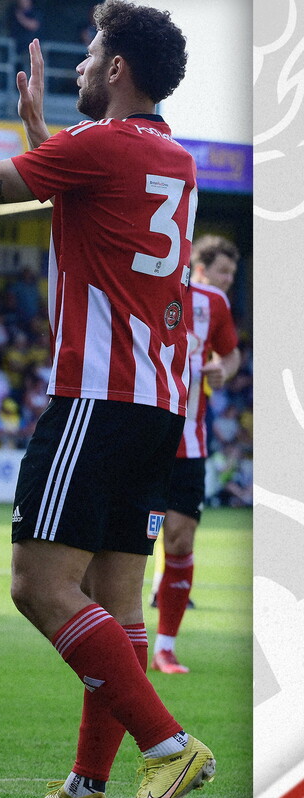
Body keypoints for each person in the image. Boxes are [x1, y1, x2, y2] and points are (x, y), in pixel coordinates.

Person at [0, 0, 215, 798]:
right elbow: (102, 199)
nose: (80, 65)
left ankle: (169, 744)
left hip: (95, 399)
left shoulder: (99, 145)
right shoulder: (174, 159)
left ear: (118, 69)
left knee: (38, 587)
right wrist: (44, 127)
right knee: (117, 609)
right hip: (156, 406)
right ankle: (87, 784)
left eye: (89, 54)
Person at [150, 237, 241, 673]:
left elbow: (231, 353)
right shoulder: (145, 280)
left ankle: (165, 646)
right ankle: (113, 638)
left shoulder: (214, 302)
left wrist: (223, 370)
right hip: (139, 436)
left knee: (180, 540)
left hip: (189, 442)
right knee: (123, 543)